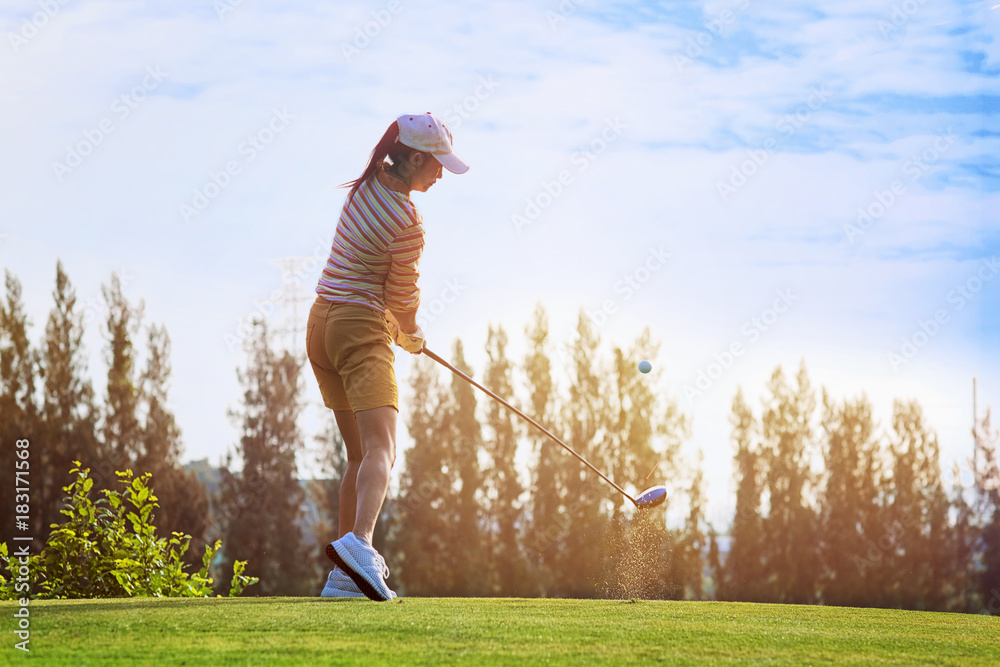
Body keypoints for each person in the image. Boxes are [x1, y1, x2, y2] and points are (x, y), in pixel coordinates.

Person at [306, 113, 469, 601]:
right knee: (383, 449)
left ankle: (343, 576)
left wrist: (402, 329)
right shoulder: (408, 219)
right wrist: (412, 333)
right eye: (437, 165)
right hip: (359, 329)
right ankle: (361, 545)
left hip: (321, 327)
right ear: (416, 157)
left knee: (357, 455)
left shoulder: (362, 187)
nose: (440, 175)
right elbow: (401, 299)